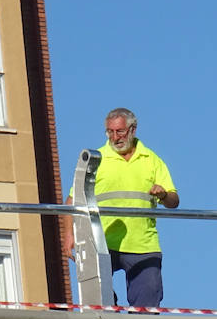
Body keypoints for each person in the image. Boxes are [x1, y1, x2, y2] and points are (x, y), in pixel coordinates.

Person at [62, 108, 178, 307]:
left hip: (142, 243)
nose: (114, 137)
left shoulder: (151, 160)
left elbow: (174, 201)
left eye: (120, 131)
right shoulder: (97, 160)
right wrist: (69, 235)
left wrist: (164, 194)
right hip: (101, 241)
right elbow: (72, 200)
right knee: (98, 296)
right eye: (110, 132)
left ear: (133, 129)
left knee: (147, 301)